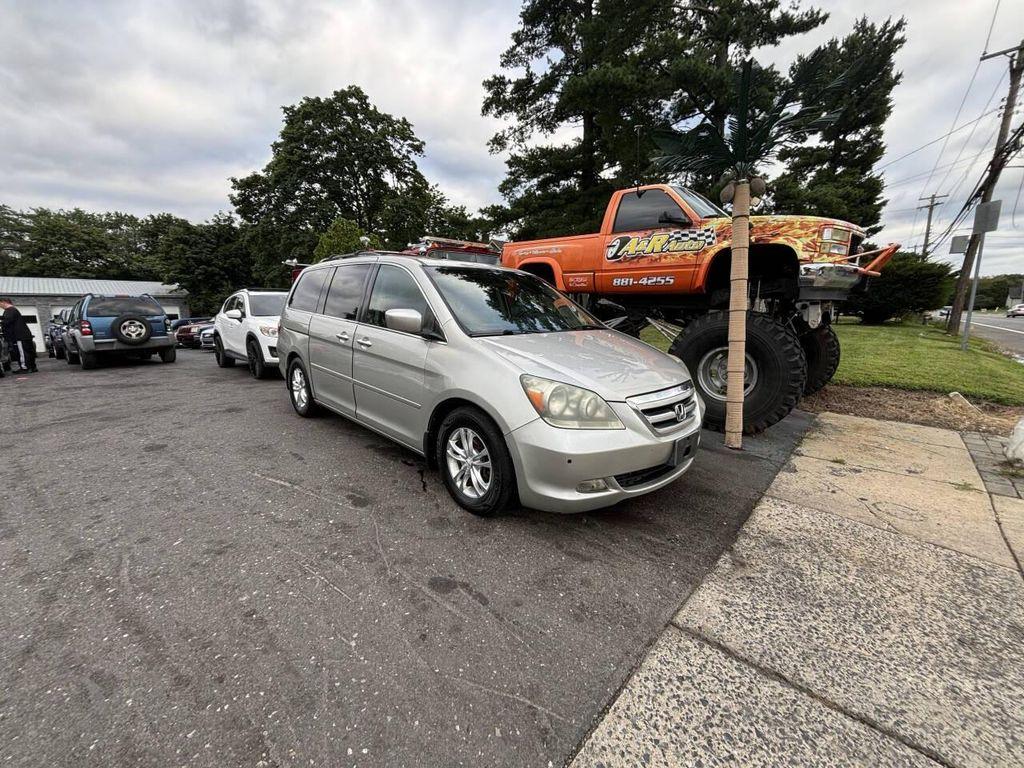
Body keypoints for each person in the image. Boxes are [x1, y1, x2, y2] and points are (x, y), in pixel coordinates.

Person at [0, 297, 37, 373]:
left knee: (22, 352)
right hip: (24, 335)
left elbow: (7, 322)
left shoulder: (10, 310)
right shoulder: (14, 310)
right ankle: (32, 367)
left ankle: (25, 368)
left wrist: (2, 325)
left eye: (0, 304)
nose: (0, 306)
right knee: (29, 351)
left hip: (19, 336)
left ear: (4, 302)